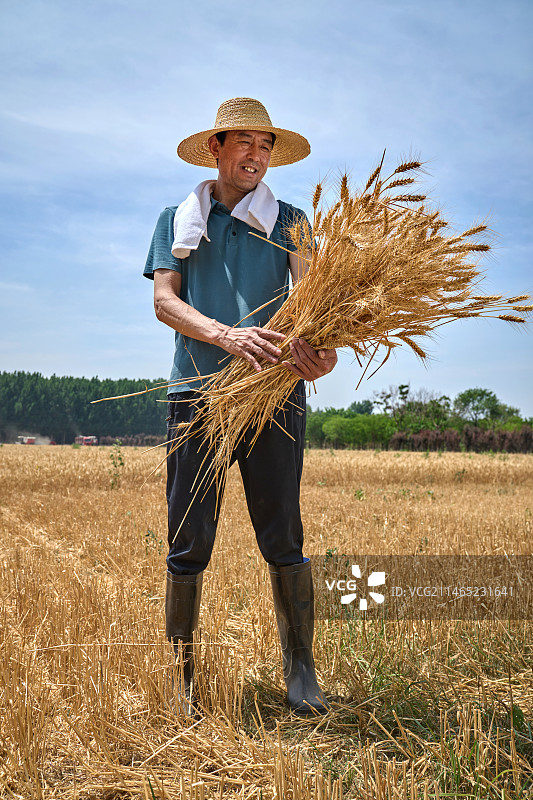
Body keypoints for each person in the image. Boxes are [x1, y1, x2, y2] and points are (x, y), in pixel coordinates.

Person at [143, 97, 337, 715]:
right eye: (244, 143)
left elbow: (314, 314)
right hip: (194, 394)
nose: (256, 156)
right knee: (187, 536)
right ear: (217, 150)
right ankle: (180, 679)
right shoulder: (176, 219)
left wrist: (321, 357)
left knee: (282, 531)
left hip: (272, 396)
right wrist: (227, 335)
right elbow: (165, 302)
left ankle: (301, 672)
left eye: (266, 145)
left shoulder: (294, 223)